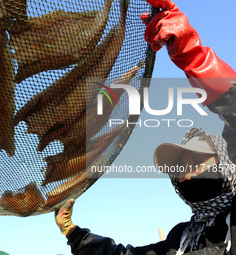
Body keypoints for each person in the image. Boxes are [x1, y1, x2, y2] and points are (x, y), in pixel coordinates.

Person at [54, 0, 236, 254]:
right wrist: (73, 233)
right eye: (181, 168)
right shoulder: (181, 239)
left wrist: (192, 55)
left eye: (197, 160)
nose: (190, 173)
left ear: (225, 164)